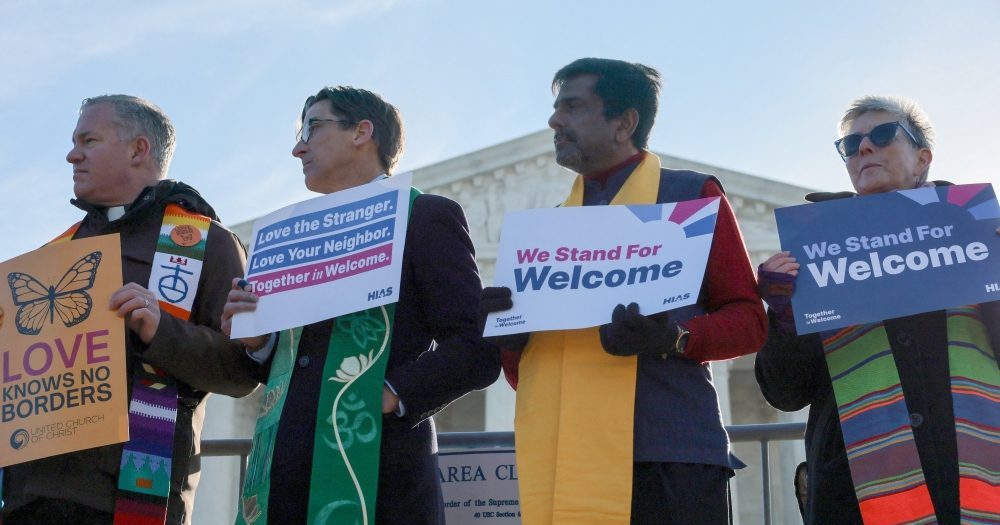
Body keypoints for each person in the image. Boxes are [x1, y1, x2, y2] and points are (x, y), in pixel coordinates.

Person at [480, 58, 766, 525]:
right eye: (556, 108)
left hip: (669, 459)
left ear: (624, 123)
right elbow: (523, 378)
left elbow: (750, 321)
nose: (554, 120)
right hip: (567, 462)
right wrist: (510, 339)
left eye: (573, 106)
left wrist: (674, 338)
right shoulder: (546, 233)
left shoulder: (690, 196)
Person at [221, 86, 500, 525]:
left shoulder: (425, 216)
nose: (298, 148)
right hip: (284, 483)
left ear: (361, 132)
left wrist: (388, 395)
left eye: (312, 128)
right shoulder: (292, 237)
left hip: (380, 478)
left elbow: (476, 348)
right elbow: (303, 364)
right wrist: (258, 341)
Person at [1, 95, 258, 525]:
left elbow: (241, 371)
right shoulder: (51, 254)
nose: (72, 155)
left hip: (130, 497)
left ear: (138, 149)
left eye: (89, 141)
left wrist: (161, 331)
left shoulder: (207, 243)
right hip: (30, 499)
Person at [755, 95, 1000, 524]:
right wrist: (785, 315)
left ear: (923, 158)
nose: (864, 148)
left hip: (972, 474)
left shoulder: (977, 232)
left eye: (884, 135)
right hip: (855, 491)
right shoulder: (816, 251)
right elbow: (785, 392)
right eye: (850, 145)